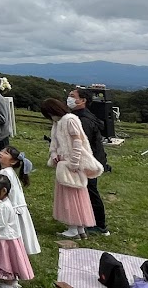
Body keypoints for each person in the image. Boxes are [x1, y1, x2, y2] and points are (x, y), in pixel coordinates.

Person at [42, 97, 104, 239]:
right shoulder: (57, 122)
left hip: (70, 163)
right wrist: (54, 154)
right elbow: (55, 143)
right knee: (74, 195)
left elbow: (78, 142)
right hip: (64, 163)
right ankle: (79, 228)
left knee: (72, 196)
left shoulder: (69, 120)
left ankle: (74, 227)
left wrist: (74, 162)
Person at [69, 87, 110, 236]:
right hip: (90, 159)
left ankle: (99, 225)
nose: (70, 98)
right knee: (86, 191)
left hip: (89, 160)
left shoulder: (84, 120)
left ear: (83, 100)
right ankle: (87, 219)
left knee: (91, 192)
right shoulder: (78, 115)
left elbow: (81, 143)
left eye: (73, 96)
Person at [0, 174, 35, 288]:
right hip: (8, 236)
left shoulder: (3, 206)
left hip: (5, 239)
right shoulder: (1, 203)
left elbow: (0, 223)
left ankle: (9, 282)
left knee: (5, 260)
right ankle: (10, 281)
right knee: (11, 259)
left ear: (4, 190)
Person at [0, 145, 40, 255]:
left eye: (6, 153)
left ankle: (12, 257)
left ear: (12, 161)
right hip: (17, 207)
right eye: (2, 150)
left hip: (12, 209)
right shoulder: (9, 171)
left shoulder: (4, 173)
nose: (1, 153)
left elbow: (0, 193)